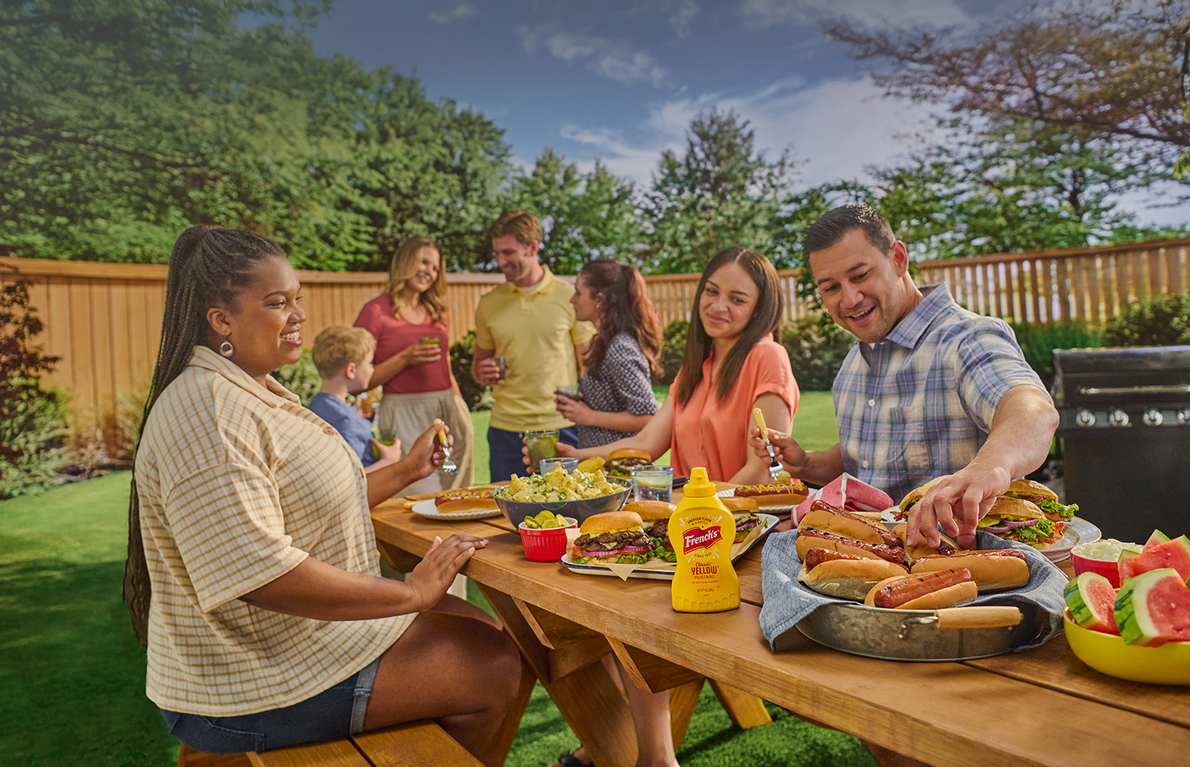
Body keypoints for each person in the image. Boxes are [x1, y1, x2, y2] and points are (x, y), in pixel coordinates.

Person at [123, 226, 523, 764]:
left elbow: (300, 499)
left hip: (292, 642)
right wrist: (412, 592)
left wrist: (406, 470)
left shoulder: (250, 386)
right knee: (494, 664)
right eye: (276, 303)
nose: (297, 315)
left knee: (477, 625)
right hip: (246, 683)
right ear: (221, 320)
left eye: (297, 300)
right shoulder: (209, 410)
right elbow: (261, 573)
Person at [752, 204, 1059, 551]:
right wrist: (807, 463)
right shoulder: (854, 362)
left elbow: (1033, 411)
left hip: (959, 568)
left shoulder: (966, 338)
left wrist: (990, 467)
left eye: (860, 275)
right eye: (831, 287)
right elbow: (868, 457)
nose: (849, 299)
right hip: (868, 561)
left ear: (898, 258)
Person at [559, 246, 799, 486]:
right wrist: (574, 457)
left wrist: (700, 507)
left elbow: (761, 470)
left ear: (759, 309)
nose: (717, 306)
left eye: (736, 299)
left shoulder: (768, 357)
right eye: (711, 292)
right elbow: (645, 444)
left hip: (739, 519)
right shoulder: (696, 366)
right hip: (689, 515)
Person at [472, 210, 595, 482]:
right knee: (505, 517)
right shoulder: (489, 303)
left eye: (508, 252)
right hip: (505, 429)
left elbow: (588, 363)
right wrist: (482, 372)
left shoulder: (569, 297)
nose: (501, 261)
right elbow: (479, 365)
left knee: (568, 511)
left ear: (533, 247)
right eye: (496, 254)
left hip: (560, 428)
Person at [355, 236, 473, 495]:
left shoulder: (437, 312)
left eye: (435, 268)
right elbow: (356, 380)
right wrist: (404, 358)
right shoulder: (375, 312)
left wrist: (459, 405)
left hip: (447, 407)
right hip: (404, 413)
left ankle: (452, 534)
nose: (429, 272)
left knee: (454, 482)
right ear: (405, 261)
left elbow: (446, 367)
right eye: (424, 262)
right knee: (420, 489)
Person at [555, 259, 662, 448]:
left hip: (618, 470)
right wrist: (578, 405)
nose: (572, 300)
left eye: (578, 293)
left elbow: (647, 416)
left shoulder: (620, 347)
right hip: (603, 468)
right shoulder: (605, 342)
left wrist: (588, 416)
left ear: (600, 300)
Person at [308, 325, 403, 475]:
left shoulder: (314, 407)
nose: (372, 369)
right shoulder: (346, 420)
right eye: (370, 363)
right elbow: (351, 477)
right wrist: (388, 461)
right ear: (351, 370)